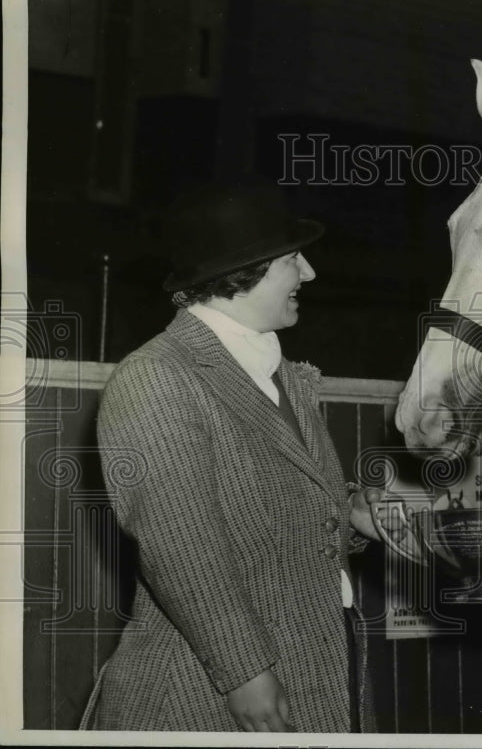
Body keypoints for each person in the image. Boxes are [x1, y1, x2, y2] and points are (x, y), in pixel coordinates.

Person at [82, 182, 380, 732]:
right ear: (246, 270)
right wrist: (245, 672)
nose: (309, 273)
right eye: (294, 258)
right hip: (204, 694)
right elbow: (179, 543)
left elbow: (269, 508)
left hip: (305, 664)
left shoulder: (279, 374)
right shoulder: (157, 377)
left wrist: (352, 515)